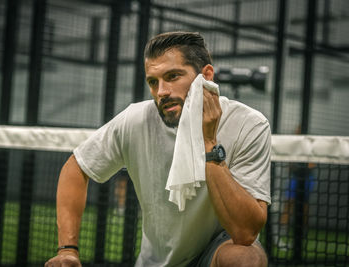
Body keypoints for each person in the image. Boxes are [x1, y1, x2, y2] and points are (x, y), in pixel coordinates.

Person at [45, 31, 271, 267]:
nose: (161, 91)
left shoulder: (249, 124)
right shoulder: (135, 120)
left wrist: (209, 144)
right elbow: (76, 167)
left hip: (214, 252)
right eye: (153, 82)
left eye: (173, 76)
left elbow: (246, 233)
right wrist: (67, 250)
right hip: (157, 261)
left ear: (206, 76)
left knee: (245, 258)